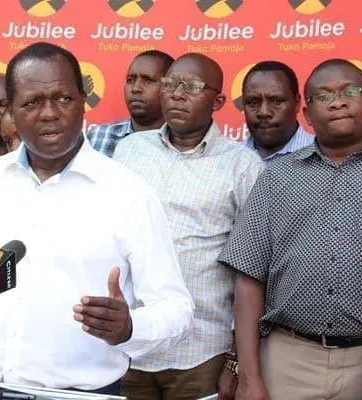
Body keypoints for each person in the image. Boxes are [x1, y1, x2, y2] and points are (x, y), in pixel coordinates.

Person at [0, 42, 194, 395]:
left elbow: (176, 309)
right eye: (32, 103)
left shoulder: (128, 193)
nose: (49, 113)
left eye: (63, 99)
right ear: (12, 112)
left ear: (83, 101)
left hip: (79, 392)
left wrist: (130, 327)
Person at [219, 59, 362, 400]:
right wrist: (248, 377)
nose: (338, 101)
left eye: (350, 92)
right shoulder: (277, 178)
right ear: (307, 114)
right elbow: (249, 281)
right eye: (324, 95)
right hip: (288, 359)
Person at [113, 53, 263, 400]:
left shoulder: (243, 166)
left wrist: (236, 362)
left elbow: (253, 271)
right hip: (130, 343)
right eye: (170, 85)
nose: (177, 95)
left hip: (201, 351)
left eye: (192, 87)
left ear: (218, 101)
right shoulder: (130, 150)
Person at [88, 50, 174, 157]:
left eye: (148, 80)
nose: (135, 88)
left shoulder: (182, 146)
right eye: (130, 80)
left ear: (170, 87)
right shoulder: (98, 136)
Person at [242, 61, 314, 162]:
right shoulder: (228, 160)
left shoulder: (324, 157)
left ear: (297, 103)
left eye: (275, 101)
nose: (264, 112)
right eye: (253, 102)